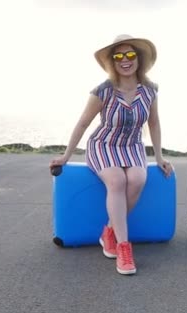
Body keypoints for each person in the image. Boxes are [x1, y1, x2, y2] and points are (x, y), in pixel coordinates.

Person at [49, 34, 173, 276]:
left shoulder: (150, 91)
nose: (125, 60)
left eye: (130, 55)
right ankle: (124, 248)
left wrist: (158, 157)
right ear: (113, 63)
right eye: (118, 56)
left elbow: (154, 124)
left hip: (132, 146)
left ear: (139, 58)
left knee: (137, 179)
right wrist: (66, 156)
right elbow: (83, 123)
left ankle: (109, 232)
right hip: (103, 145)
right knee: (117, 180)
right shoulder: (103, 91)